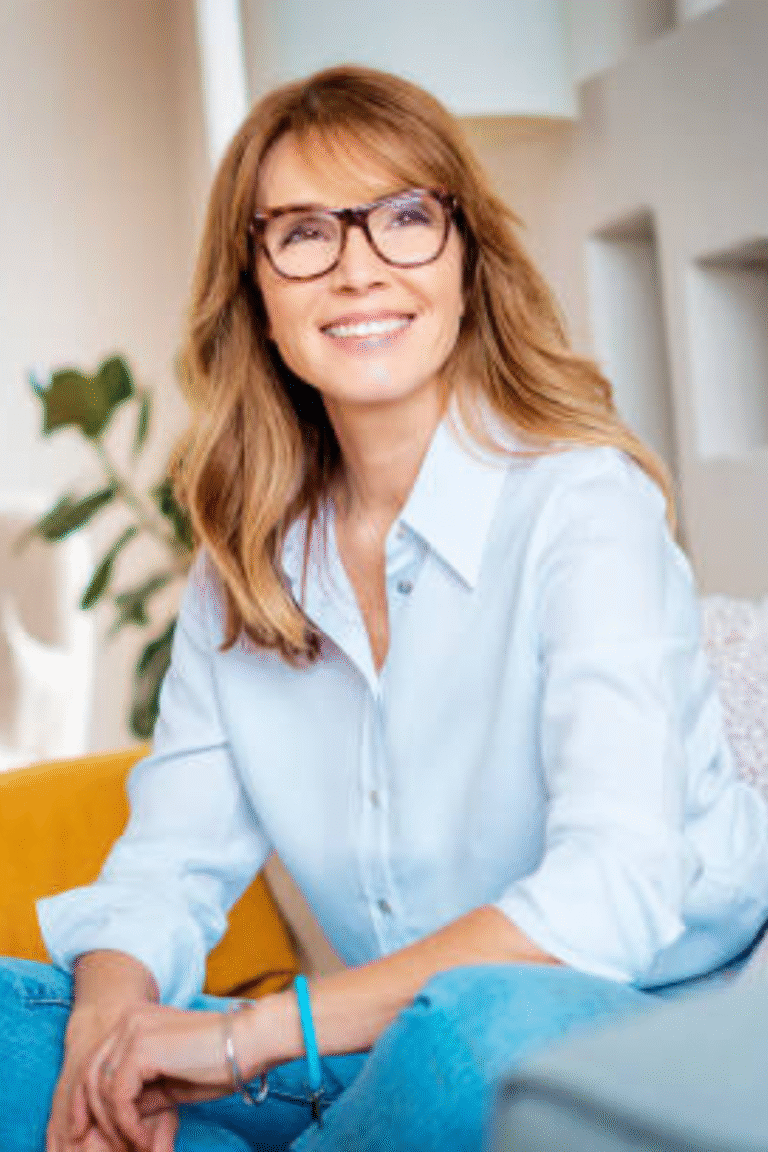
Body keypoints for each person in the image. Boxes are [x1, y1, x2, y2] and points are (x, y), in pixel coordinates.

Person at [2, 63, 768, 1152]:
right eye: (305, 233)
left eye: (405, 217)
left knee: (467, 1032)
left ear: (467, 262)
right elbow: (164, 869)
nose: (358, 269)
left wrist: (254, 1036)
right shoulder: (245, 565)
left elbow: (612, 894)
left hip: (610, 1031)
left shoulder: (582, 507)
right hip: (358, 1060)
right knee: (9, 1025)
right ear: (257, 291)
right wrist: (105, 1034)